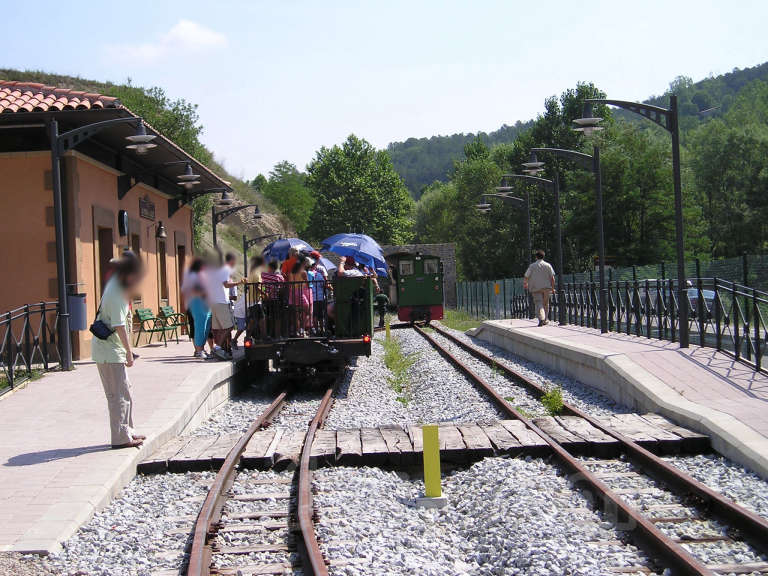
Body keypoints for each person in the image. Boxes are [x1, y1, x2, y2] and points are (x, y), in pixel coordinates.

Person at [92, 251, 146, 449]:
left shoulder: (119, 287)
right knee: (117, 395)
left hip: (112, 350)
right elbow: (119, 325)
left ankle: (128, 431)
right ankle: (121, 438)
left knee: (125, 392)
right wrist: (129, 352)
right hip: (109, 352)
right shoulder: (116, 293)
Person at [206, 252, 239, 359]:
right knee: (229, 326)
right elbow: (226, 284)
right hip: (221, 303)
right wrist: (239, 283)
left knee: (219, 328)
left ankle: (224, 350)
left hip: (214, 303)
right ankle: (218, 348)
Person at [524, 249, 556, 326]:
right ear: (543, 257)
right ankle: (545, 319)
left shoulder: (532, 266)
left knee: (539, 303)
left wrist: (526, 284)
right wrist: (552, 288)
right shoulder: (548, 265)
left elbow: (526, 276)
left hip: (536, 288)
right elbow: (552, 278)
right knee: (546, 304)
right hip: (546, 288)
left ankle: (541, 318)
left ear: (536, 257)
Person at [181, 258, 205, 349]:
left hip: (189, 305)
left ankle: (196, 349)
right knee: (198, 327)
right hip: (197, 305)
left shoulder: (188, 276)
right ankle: (199, 349)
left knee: (193, 327)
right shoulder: (197, 277)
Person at [261, 259, 284, 338]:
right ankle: (277, 335)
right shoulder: (279, 277)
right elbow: (281, 289)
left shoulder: (263, 275)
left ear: (269, 267)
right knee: (277, 318)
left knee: (265, 318)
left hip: (264, 299)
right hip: (275, 299)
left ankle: (267, 335)